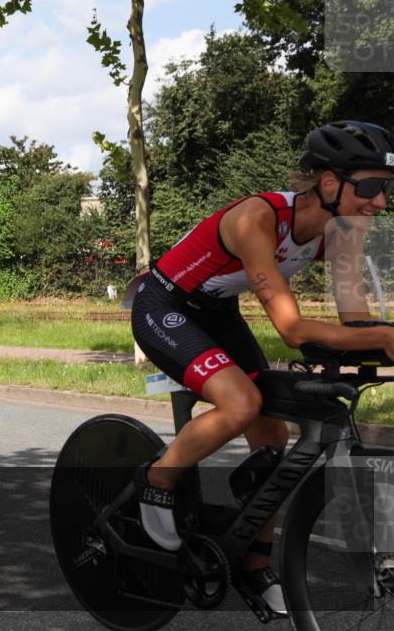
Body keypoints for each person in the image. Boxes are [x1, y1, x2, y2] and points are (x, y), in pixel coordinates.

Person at [130, 120, 394, 615]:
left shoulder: (345, 229)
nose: (380, 203)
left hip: (218, 313)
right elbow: (291, 329)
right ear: (331, 183)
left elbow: (354, 314)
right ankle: (158, 480)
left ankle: (254, 561)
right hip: (165, 305)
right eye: (372, 188)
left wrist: (376, 339)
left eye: (387, 190)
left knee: (273, 436)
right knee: (243, 403)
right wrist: (382, 336)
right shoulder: (258, 218)